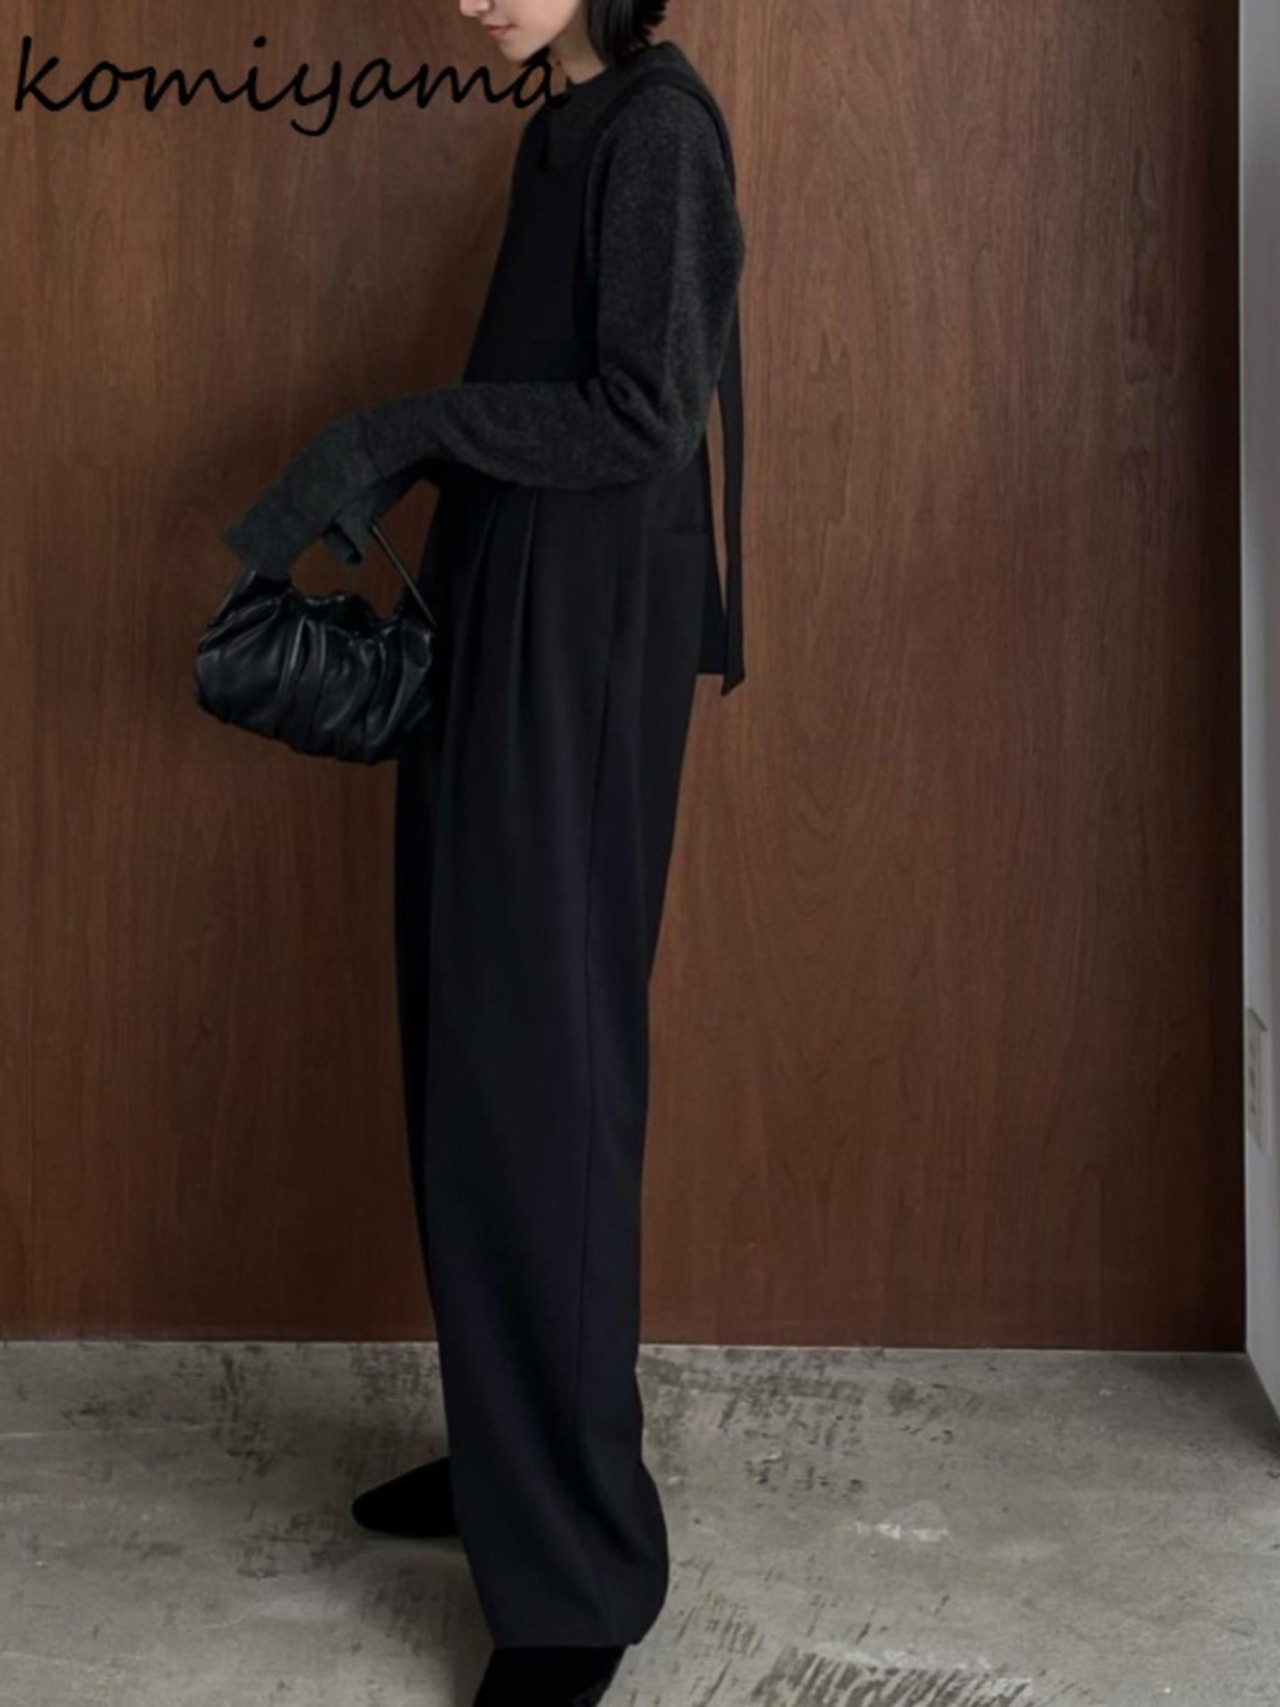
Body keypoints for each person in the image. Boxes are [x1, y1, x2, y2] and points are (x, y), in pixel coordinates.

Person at [221, 3, 746, 1702]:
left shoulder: (659, 130)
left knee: (546, 1079)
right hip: (505, 614)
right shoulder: (564, 122)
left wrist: (409, 429)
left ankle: (578, 1579)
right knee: (473, 1047)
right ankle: (519, 1458)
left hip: (578, 653)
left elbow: (647, 413)